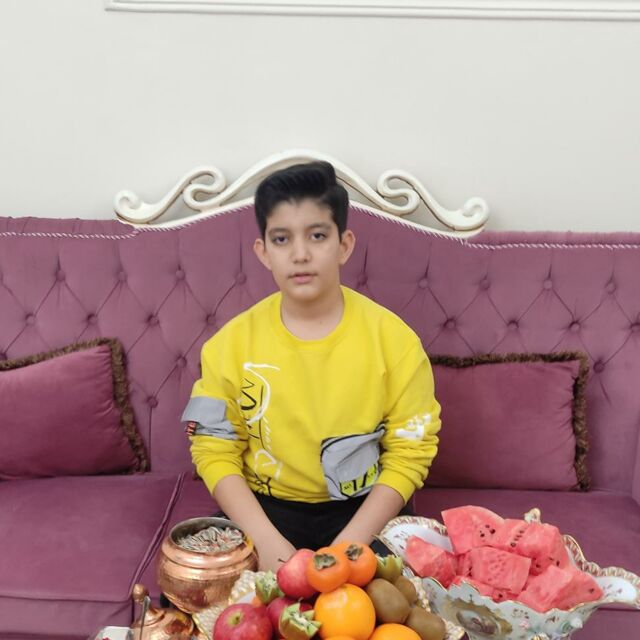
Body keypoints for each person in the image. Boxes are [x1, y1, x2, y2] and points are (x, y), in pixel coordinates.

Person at [182, 161, 441, 572]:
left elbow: (411, 452)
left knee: (405, 600)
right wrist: (267, 543)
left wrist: (348, 549)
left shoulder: (395, 341)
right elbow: (213, 448)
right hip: (264, 511)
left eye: (317, 236)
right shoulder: (229, 344)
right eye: (282, 239)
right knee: (196, 590)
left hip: (364, 512)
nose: (300, 254)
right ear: (263, 252)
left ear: (344, 245)